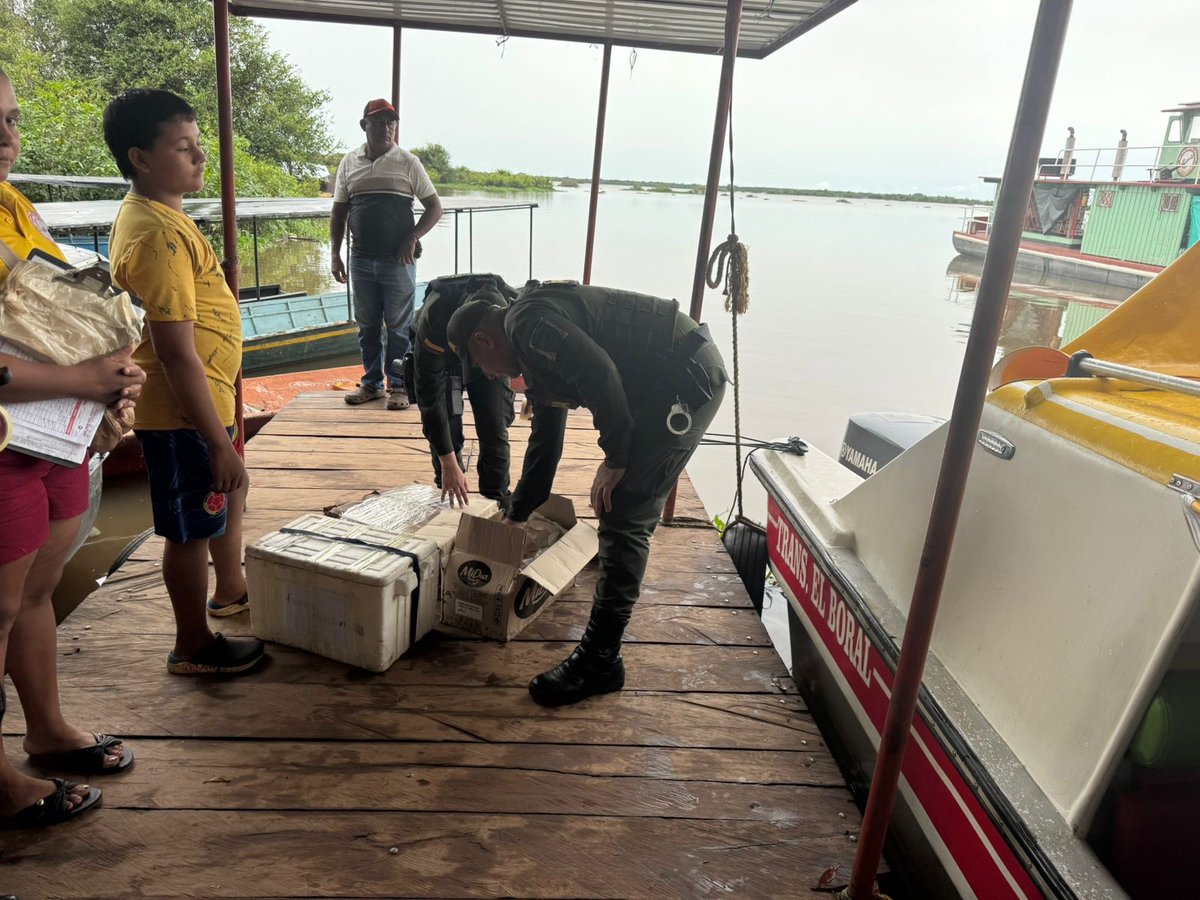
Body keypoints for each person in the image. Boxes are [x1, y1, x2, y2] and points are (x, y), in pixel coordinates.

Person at [447, 281, 727, 706]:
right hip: (666, 374)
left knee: (625, 513)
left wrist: (615, 459)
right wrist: (517, 514)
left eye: (479, 364)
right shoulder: (530, 341)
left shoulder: (529, 325)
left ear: (484, 339)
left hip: (686, 379)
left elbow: (601, 375)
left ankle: (600, 661)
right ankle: (603, 647)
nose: (486, 375)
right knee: (619, 507)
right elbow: (546, 441)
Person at [0, 69, 142, 828]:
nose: (7, 136)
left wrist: (113, 375)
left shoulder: (13, 207)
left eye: (13, 119)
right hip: (5, 445)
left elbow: (62, 308)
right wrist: (84, 375)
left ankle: (46, 729)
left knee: (31, 595)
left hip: (51, 439)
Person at [103, 88, 265, 675]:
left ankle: (230, 589)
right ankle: (192, 644)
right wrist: (217, 442)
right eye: (183, 147)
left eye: (200, 147)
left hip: (204, 404)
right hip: (181, 415)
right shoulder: (158, 236)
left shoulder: (165, 217)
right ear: (141, 157)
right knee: (189, 528)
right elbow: (174, 352)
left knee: (225, 496)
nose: (200, 158)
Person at [330, 99, 443, 410]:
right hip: (360, 260)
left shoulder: (408, 162)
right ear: (364, 124)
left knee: (399, 326)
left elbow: (435, 207)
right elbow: (338, 212)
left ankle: (399, 386)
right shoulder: (349, 162)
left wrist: (413, 237)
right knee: (366, 325)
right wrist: (335, 255)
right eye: (378, 122)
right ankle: (371, 384)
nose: (386, 128)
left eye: (391, 122)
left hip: (398, 262)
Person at [412, 274, 517, 511]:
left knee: (495, 428)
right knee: (447, 430)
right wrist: (448, 462)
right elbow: (430, 399)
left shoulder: (516, 314)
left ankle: (495, 504)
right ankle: (449, 497)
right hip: (444, 357)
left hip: (492, 351)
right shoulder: (434, 320)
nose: (487, 373)